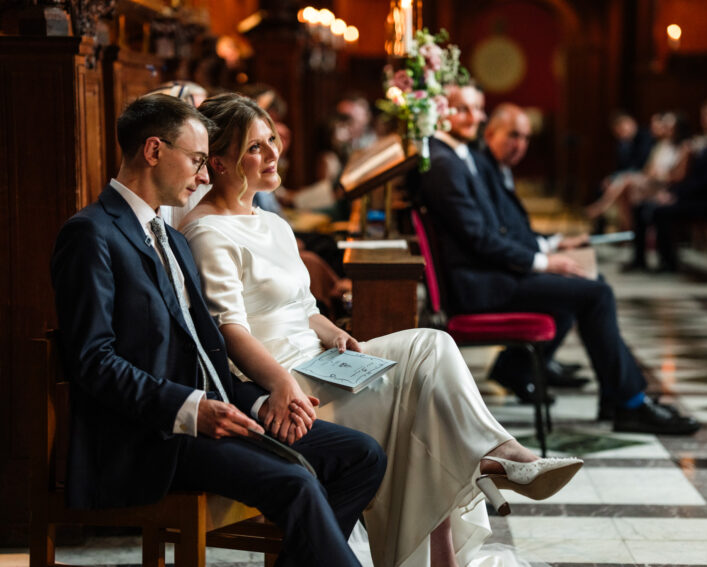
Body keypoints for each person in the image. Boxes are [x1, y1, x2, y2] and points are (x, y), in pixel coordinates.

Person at [179, 93, 584, 567]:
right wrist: (282, 383)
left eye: (272, 140)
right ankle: (480, 486)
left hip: (321, 360)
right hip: (283, 388)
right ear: (221, 162)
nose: (273, 154)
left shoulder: (271, 222)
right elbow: (229, 330)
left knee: (431, 348)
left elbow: (305, 307)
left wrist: (334, 334)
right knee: (421, 405)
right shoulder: (206, 232)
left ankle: (498, 459)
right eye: (255, 147)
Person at [50, 94, 387, 567]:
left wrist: (265, 397)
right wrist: (190, 409)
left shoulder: (171, 236)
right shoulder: (91, 234)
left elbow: (203, 350)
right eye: (197, 161)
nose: (206, 176)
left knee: (363, 456)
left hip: (215, 413)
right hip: (150, 437)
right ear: (153, 151)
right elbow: (93, 362)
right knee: (296, 481)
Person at [418, 88, 701, 437]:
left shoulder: (454, 156)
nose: (475, 117)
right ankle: (629, 403)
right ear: (441, 111)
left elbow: (493, 230)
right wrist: (542, 262)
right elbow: (480, 239)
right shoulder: (446, 163)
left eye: (477, 109)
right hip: (481, 284)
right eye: (463, 109)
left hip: (488, 273)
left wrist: (547, 252)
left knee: (586, 288)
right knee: (595, 294)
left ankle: (621, 397)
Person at [629, 98, 707, 272]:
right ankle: (639, 259)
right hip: (693, 196)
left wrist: (675, 196)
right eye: (705, 116)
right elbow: (691, 179)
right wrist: (671, 193)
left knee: (658, 210)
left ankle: (668, 262)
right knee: (642, 206)